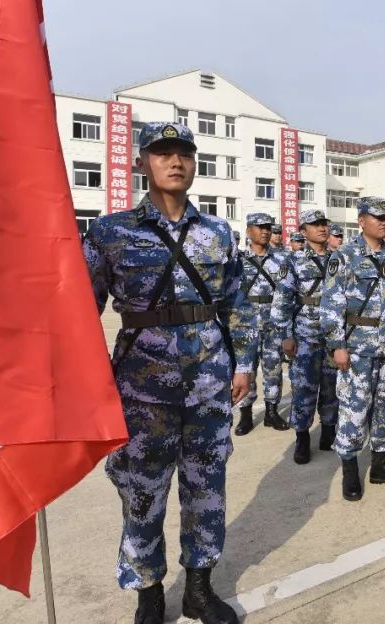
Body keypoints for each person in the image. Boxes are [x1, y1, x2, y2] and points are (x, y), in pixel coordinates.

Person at [84, 122, 256, 624]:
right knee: (143, 491)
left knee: (206, 487)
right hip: (141, 387)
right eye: (162, 153)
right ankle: (149, 593)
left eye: (183, 152)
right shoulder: (111, 232)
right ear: (143, 163)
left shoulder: (218, 232)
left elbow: (238, 304)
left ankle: (199, 590)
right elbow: (77, 312)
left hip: (209, 385)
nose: (175, 161)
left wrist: (244, 362)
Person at [320, 198, 385, 499]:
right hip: (357, 348)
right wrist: (337, 345)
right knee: (354, 409)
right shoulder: (344, 256)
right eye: (377, 217)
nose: (384, 222)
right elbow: (330, 305)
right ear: (361, 221)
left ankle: (380, 464)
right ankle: (350, 469)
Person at [271, 209, 338, 465]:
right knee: (304, 389)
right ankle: (301, 437)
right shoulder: (294, 261)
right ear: (303, 231)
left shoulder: (338, 259)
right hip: (305, 337)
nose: (322, 228)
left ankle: (328, 432)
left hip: (333, 338)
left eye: (324, 223)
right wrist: (285, 335)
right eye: (315, 224)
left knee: (333, 389)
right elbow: (282, 301)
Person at [235, 212, 290, 435]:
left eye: (268, 227)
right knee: (245, 368)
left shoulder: (281, 259)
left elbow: (287, 294)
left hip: (273, 323)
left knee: (273, 368)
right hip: (246, 324)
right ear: (249, 230)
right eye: (260, 227)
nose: (266, 231)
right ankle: (246, 415)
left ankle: (271, 411)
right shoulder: (237, 260)